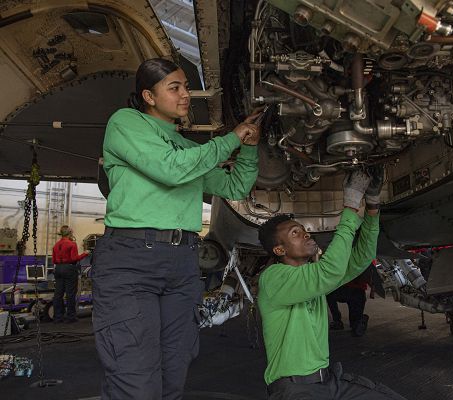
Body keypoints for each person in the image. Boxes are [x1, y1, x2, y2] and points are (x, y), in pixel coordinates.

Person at [91, 58, 260, 400]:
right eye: (175, 88)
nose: (186, 95)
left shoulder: (189, 149)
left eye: (186, 87)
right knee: (136, 382)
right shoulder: (126, 123)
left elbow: (236, 187)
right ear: (149, 97)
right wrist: (230, 139)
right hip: (131, 262)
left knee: (173, 375)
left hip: (182, 263)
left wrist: (250, 148)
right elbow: (170, 170)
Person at [257, 168, 406, 399]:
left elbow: (361, 259)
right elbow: (331, 270)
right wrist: (349, 206)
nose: (306, 234)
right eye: (296, 233)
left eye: (304, 230)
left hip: (329, 382)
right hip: (296, 390)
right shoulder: (274, 278)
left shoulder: (312, 275)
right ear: (279, 249)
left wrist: (373, 205)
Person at [52, 225, 88, 323]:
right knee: (70, 294)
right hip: (69, 268)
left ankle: (58, 317)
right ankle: (71, 317)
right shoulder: (72, 244)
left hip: (58, 268)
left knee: (58, 294)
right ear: (70, 233)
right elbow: (74, 258)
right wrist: (85, 253)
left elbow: (54, 260)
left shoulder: (56, 245)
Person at [326, 264, 372, 337]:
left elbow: (370, 274)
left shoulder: (366, 258)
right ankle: (338, 321)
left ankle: (360, 319)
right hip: (344, 289)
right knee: (329, 294)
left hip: (357, 291)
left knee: (355, 328)